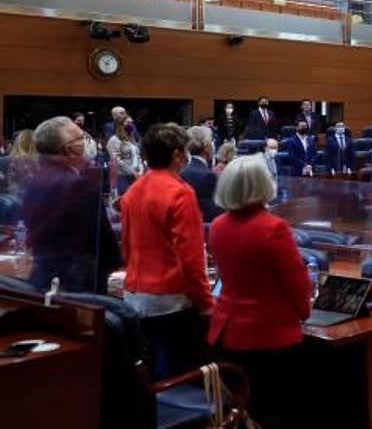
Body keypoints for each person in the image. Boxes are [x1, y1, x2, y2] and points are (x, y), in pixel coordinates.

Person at [208, 155, 311, 429]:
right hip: (269, 336)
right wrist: (303, 312)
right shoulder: (273, 228)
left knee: (245, 410)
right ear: (264, 185)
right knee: (275, 410)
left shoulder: (217, 225)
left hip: (227, 332)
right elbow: (297, 281)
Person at [120, 123, 212, 380]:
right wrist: (206, 304)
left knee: (148, 371)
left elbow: (127, 244)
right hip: (170, 299)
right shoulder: (180, 193)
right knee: (178, 375)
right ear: (177, 155)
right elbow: (191, 259)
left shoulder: (133, 190)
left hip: (134, 295)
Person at [21, 116, 121, 293]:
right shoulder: (76, 184)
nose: (86, 142)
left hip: (44, 271)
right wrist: (116, 263)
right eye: (81, 138)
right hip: (75, 280)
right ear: (70, 149)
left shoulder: (36, 178)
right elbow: (99, 235)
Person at [183, 125, 221, 223]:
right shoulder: (207, 176)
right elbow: (211, 212)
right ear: (206, 147)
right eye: (211, 141)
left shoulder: (182, 170)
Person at [107, 114, 143, 196]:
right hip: (122, 176)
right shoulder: (114, 140)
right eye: (128, 122)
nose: (131, 124)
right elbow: (116, 159)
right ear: (120, 124)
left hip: (135, 175)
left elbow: (138, 156)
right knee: (122, 200)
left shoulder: (132, 139)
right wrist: (131, 171)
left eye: (132, 122)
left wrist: (140, 170)